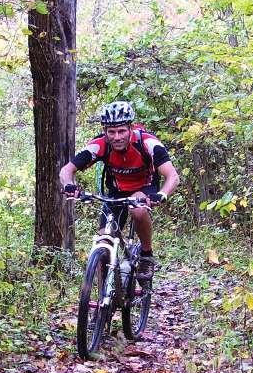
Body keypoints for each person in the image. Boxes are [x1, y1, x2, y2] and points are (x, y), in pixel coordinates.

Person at [59, 101, 180, 281]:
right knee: (103, 239)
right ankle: (105, 297)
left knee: (138, 211)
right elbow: (66, 170)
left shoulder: (148, 143)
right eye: (112, 132)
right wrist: (69, 185)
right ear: (105, 132)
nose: (117, 137)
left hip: (143, 188)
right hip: (115, 192)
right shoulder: (100, 145)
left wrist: (161, 194)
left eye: (121, 131)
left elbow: (173, 176)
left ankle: (146, 255)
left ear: (130, 128)